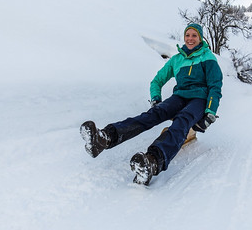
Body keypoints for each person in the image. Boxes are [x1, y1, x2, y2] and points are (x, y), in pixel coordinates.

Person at [80, 23, 223, 185]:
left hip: (200, 98)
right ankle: (104, 138)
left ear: (200, 38)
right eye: (187, 35)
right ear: (184, 37)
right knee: (153, 114)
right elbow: (157, 80)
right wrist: (155, 98)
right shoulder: (177, 59)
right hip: (180, 96)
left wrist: (210, 111)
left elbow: (215, 86)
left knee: (182, 120)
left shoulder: (208, 58)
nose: (190, 38)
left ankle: (153, 161)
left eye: (194, 35)